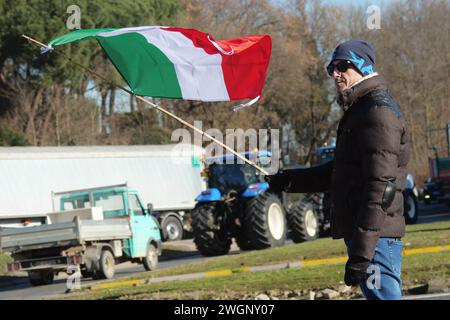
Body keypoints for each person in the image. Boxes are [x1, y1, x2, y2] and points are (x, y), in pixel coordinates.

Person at [267, 39, 410, 300]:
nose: (335, 73)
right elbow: (342, 171)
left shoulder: (376, 112)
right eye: (331, 68)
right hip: (369, 237)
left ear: (363, 67)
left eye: (342, 66)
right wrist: (290, 181)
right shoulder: (361, 110)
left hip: (376, 238)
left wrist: (362, 252)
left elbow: (382, 186)